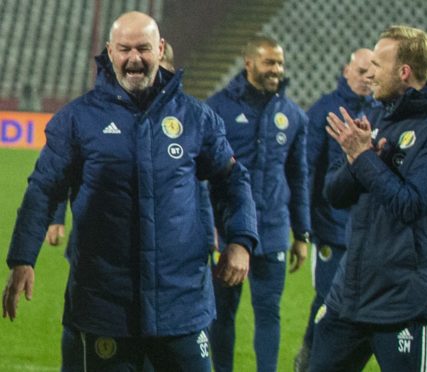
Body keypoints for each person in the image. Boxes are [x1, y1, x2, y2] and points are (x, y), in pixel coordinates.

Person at [2, 11, 259, 372]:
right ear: (109, 51)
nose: (134, 59)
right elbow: (43, 189)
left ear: (161, 49)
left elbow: (233, 178)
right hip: (105, 305)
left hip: (181, 302)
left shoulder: (195, 118)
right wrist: (22, 259)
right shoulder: (78, 119)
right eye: (124, 49)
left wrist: (241, 240)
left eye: (143, 48)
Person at [309, 25, 427, 371]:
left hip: (405, 304)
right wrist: (359, 158)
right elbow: (334, 195)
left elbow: (409, 204)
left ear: (404, 72)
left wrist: (365, 158)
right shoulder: (381, 115)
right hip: (350, 298)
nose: (369, 73)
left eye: (377, 66)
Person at [206, 34, 311, 372]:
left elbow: (298, 177)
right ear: (248, 62)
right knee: (221, 315)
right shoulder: (217, 108)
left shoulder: (293, 115)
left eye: (279, 63)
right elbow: (203, 176)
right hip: (229, 232)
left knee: (269, 313)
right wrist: (209, 226)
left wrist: (302, 233)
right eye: (269, 62)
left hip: (274, 230)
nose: (276, 70)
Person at [293, 48, 380, 372]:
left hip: (365, 228)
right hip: (330, 225)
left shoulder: (378, 110)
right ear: (346, 70)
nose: (367, 79)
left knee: (359, 299)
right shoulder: (324, 110)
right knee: (329, 296)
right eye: (361, 73)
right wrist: (305, 222)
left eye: (372, 74)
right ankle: (310, 353)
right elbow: (307, 169)